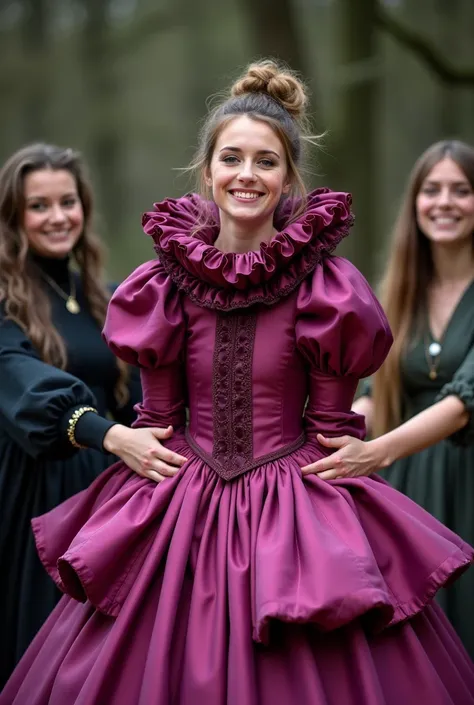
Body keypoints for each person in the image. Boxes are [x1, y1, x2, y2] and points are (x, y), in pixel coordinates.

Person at [2, 66, 474, 705]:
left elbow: (333, 431)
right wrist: (130, 447)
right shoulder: (160, 285)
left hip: (295, 499)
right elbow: (156, 421)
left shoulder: (327, 287)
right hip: (182, 497)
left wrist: (361, 459)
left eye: (266, 161)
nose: (246, 174)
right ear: (206, 172)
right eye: (231, 158)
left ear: (288, 180)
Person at [0, 143, 187, 688]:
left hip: (106, 488)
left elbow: (136, 398)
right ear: (14, 217)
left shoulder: (107, 297)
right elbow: (23, 383)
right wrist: (110, 437)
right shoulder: (7, 302)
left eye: (68, 202)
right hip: (34, 491)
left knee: (102, 659)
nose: (58, 217)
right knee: (42, 651)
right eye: (39, 206)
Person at [306, 139, 474, 659]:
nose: (444, 202)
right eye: (432, 190)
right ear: (415, 203)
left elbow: (467, 396)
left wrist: (377, 452)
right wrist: (324, 439)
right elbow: (377, 392)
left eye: (461, 191)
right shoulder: (401, 292)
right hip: (409, 486)